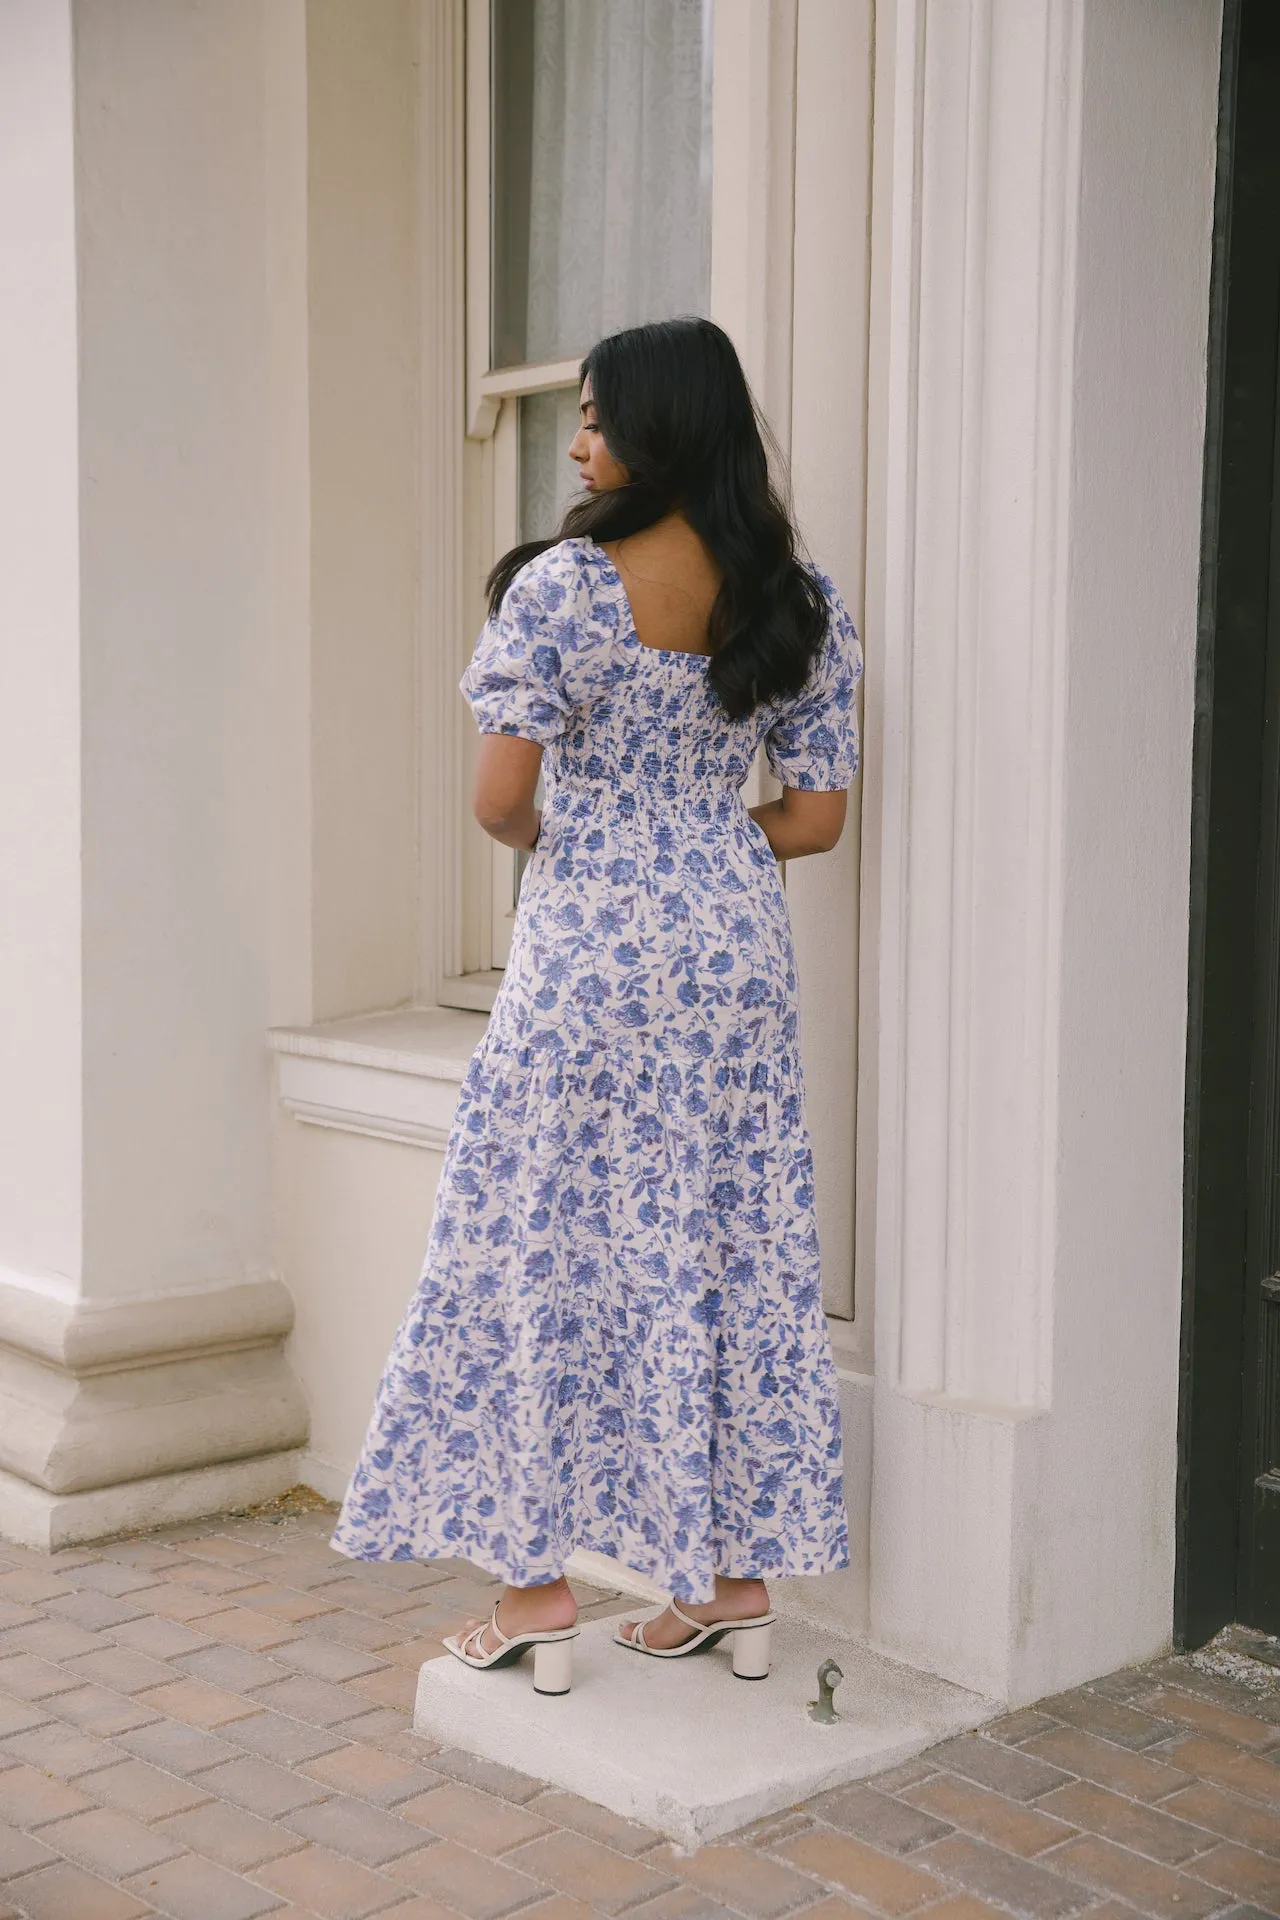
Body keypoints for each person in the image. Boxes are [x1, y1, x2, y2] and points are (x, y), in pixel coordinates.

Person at [332, 317, 862, 1695]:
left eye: (594, 416)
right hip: (737, 953)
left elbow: (502, 802)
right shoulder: (792, 593)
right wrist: (702, 845)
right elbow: (815, 818)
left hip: (591, 953)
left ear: (658, 428)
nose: (576, 442)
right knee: (724, 1245)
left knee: (540, 1246)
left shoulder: (565, 590)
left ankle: (532, 1592)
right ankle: (734, 1589)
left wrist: (587, 853)